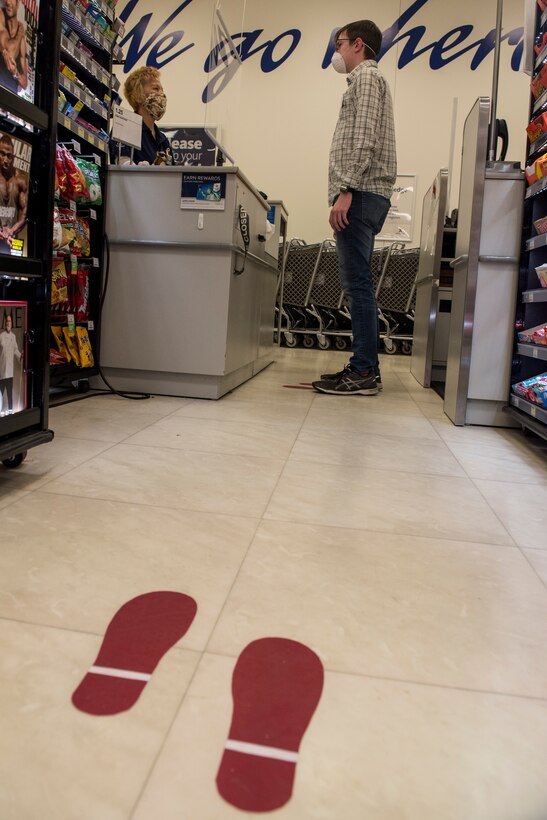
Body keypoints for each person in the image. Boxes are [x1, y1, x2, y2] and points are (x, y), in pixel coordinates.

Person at [312, 20, 397, 396]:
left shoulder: (365, 79)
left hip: (359, 194)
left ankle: (363, 371)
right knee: (359, 283)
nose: (337, 52)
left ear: (358, 45)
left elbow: (363, 140)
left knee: (358, 285)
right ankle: (365, 366)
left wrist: (345, 189)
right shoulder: (368, 82)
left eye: (340, 43)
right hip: (365, 194)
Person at [110, 66, 172, 166]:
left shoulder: (163, 140)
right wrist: (141, 172)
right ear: (138, 96)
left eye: (162, 90)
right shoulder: (125, 126)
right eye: (156, 88)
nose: (161, 94)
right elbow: (123, 165)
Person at [0, 132, 27, 254]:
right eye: (2, 154)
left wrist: (11, 230)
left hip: (11, 240)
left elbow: (24, 214)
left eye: (9, 156)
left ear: (13, 157)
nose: (6, 160)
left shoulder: (20, 181)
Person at [0, 0, 28, 94]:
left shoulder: (21, 37)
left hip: (10, 98)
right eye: (6, 2)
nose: (8, 4)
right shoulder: (1, 17)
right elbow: (10, 52)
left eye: (11, 2)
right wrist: (20, 34)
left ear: (17, 4)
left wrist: (15, 73)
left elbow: (24, 84)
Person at [0, 313, 22, 414]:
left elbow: (16, 350)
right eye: (7, 321)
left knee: (9, 394)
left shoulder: (13, 336)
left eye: (10, 321)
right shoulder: (1, 336)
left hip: (10, 372)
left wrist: (21, 356)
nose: (8, 323)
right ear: (4, 323)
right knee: (0, 394)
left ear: (12, 323)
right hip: (1, 371)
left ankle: (10, 412)